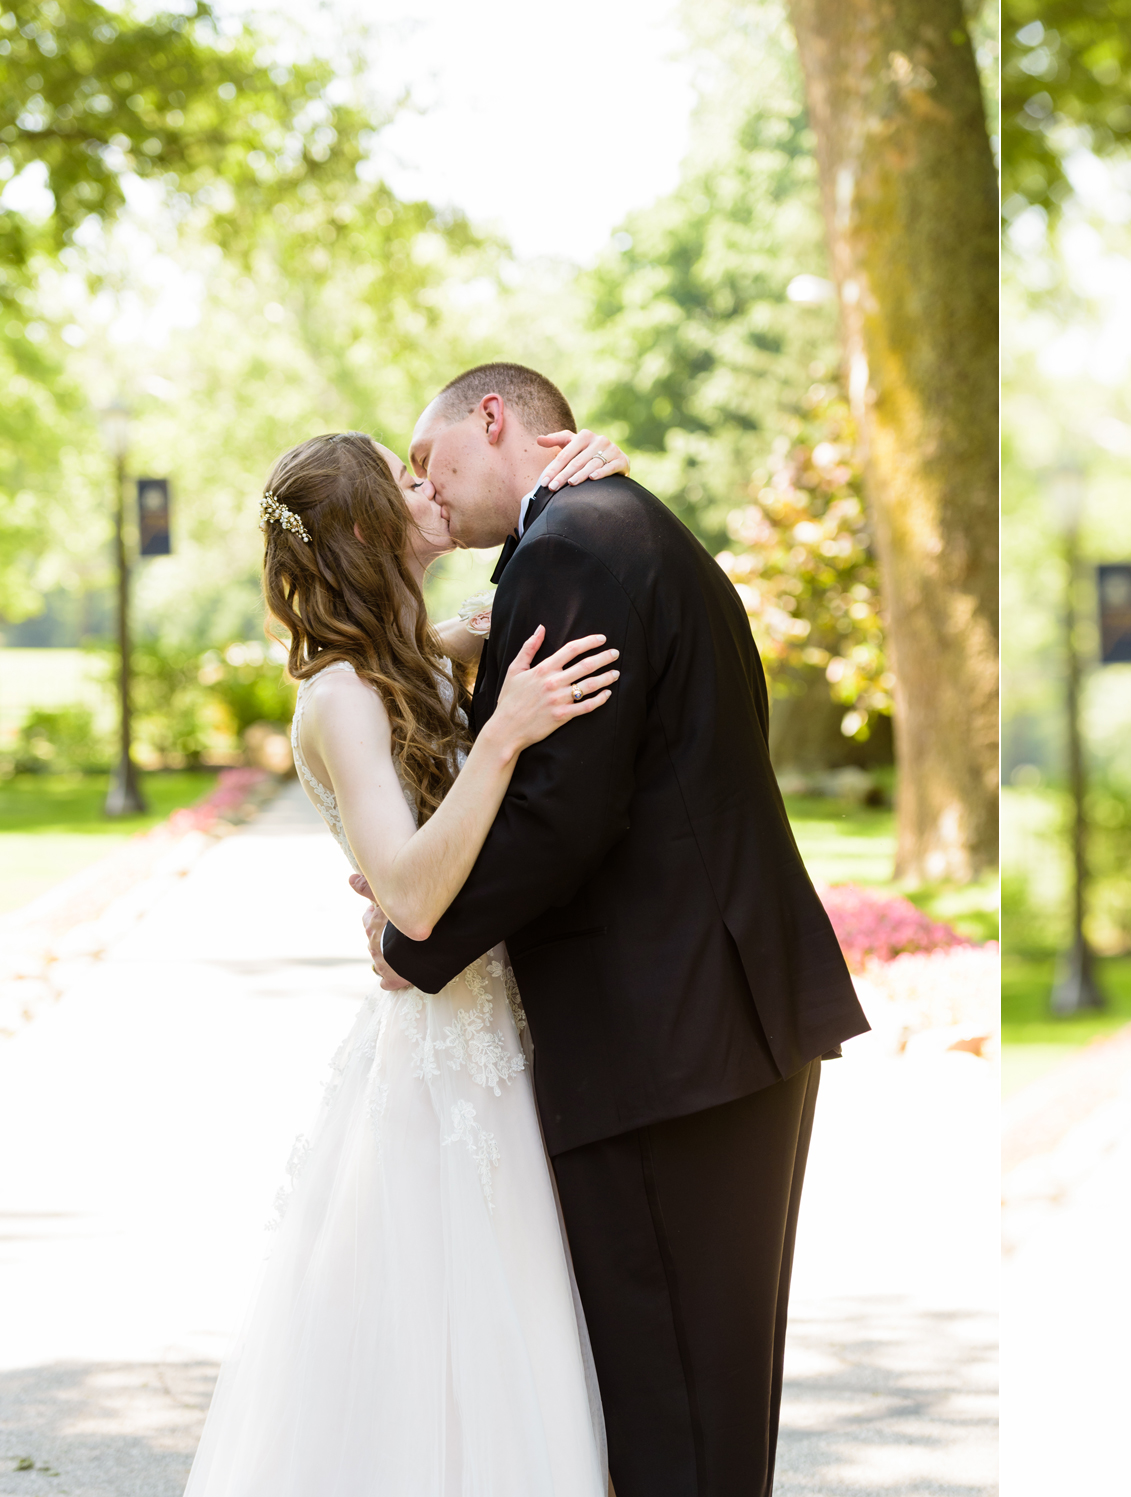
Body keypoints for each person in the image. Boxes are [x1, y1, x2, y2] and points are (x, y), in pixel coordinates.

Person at [364, 363, 871, 1497]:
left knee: (670, 1409)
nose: (428, 490)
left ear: (492, 419)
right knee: (711, 1397)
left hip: (662, 1040)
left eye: (431, 458)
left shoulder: (569, 547)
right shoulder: (623, 523)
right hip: (721, 1022)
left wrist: (415, 942)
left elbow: (562, 812)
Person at [184, 424, 634, 1495]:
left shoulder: (413, 654)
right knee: (442, 1356)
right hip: (441, 1070)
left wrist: (589, 461)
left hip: (500, 1039)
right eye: (399, 477)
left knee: (517, 1341)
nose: (425, 484)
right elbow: (417, 898)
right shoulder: (339, 695)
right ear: (357, 527)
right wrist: (503, 733)